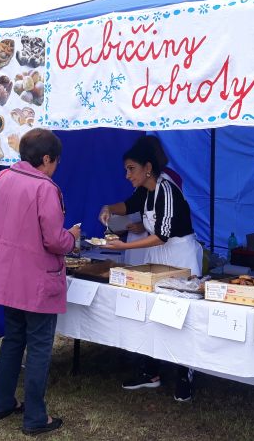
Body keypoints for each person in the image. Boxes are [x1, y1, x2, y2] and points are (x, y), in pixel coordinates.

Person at [0, 128, 80, 436]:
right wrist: (71, 238)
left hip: (6, 278)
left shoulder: (1, 179)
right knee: (40, 347)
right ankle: (35, 417)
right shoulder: (46, 188)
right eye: (55, 162)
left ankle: (3, 402)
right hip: (37, 282)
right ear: (46, 159)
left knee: (13, 340)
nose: (56, 168)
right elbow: (54, 240)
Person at [98, 138, 202, 402]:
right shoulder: (145, 189)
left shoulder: (166, 188)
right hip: (158, 254)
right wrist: (109, 208)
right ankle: (150, 371)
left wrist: (121, 245)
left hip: (180, 254)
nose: (127, 175)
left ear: (147, 167)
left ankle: (184, 374)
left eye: (131, 169)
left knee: (181, 315)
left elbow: (162, 235)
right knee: (151, 310)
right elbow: (129, 205)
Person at [122, 135, 182, 265]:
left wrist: (142, 226)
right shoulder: (151, 177)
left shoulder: (164, 180)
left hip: (156, 241)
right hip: (150, 243)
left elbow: (168, 215)